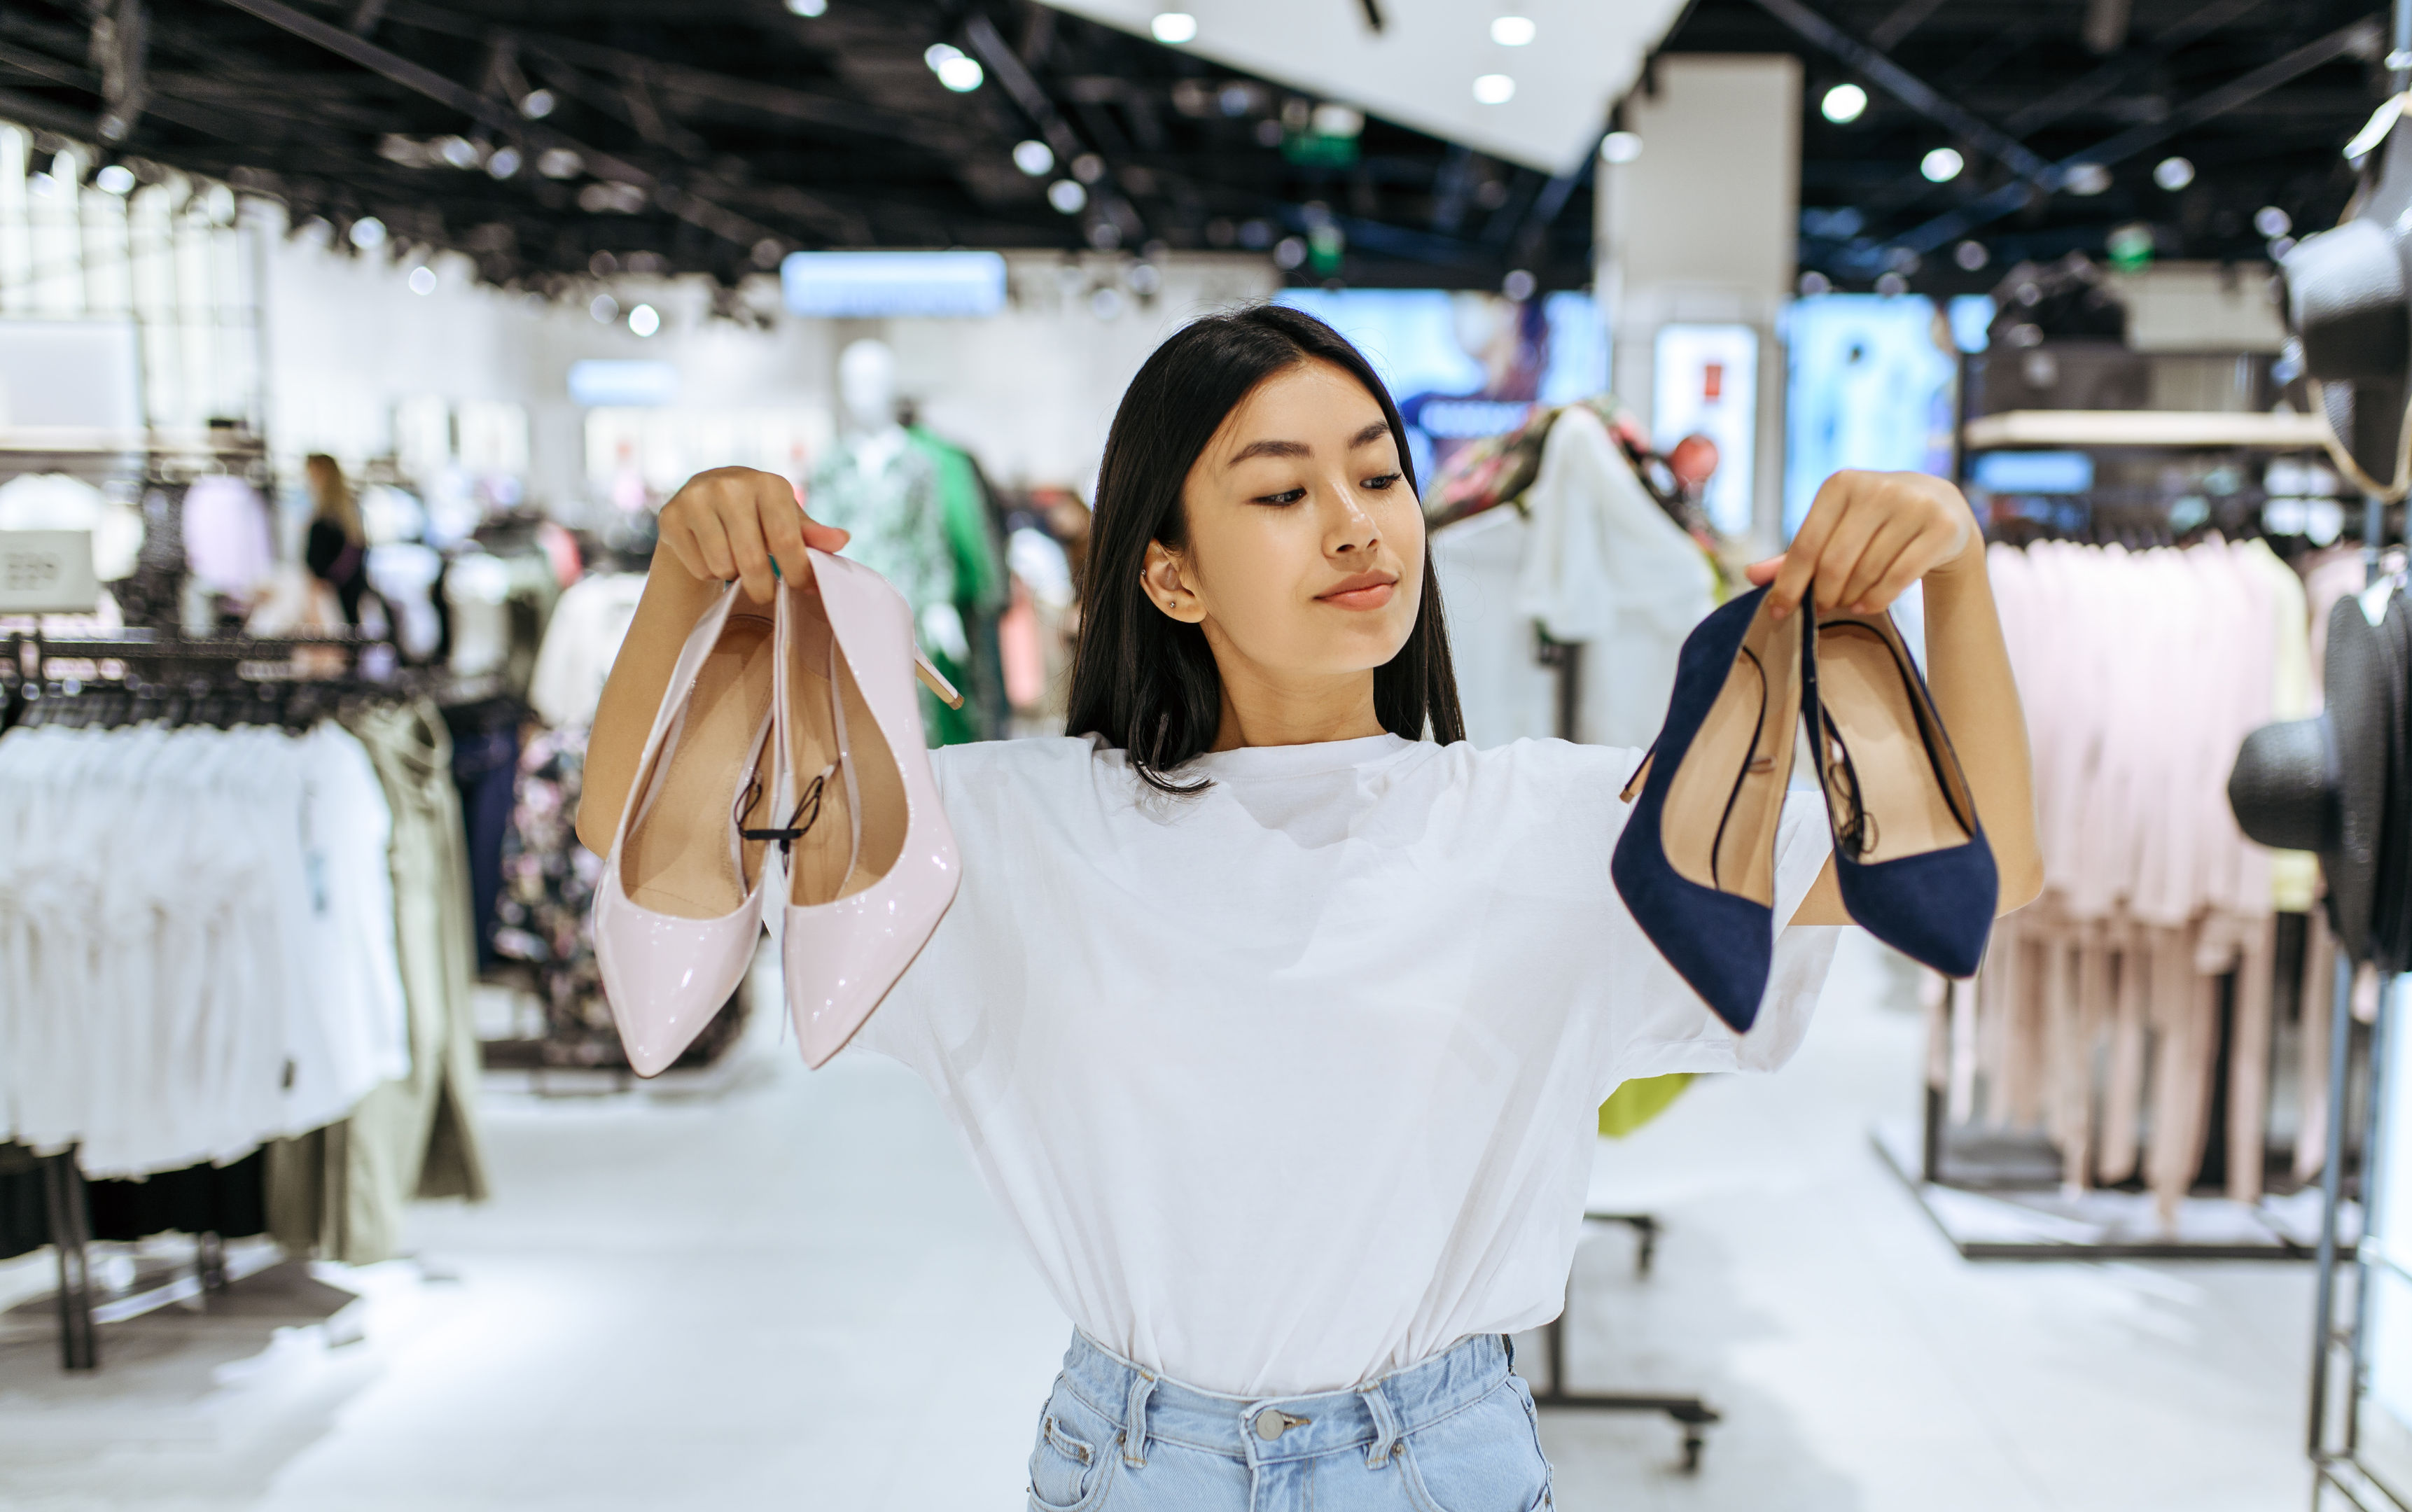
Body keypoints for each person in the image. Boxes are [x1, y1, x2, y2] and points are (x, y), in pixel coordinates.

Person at [578, 305, 2040, 1510]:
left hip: (1442, 1465)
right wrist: (686, 587)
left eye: (1380, 477)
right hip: (1134, 1464)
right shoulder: (1013, 826)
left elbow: (1991, 874)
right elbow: (638, 835)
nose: (1356, 527)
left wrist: (1954, 568)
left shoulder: (1561, 824)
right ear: (1168, 569)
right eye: (1282, 495)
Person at [301, 452, 370, 626]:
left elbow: (317, 570)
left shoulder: (324, 522)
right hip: (349, 597)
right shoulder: (351, 517)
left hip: (330, 600)